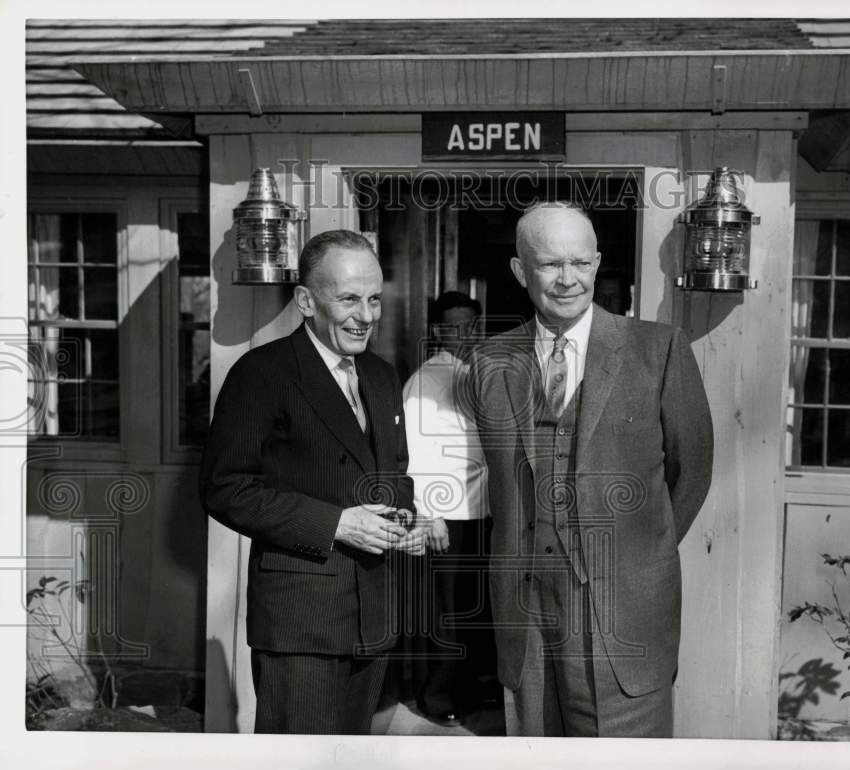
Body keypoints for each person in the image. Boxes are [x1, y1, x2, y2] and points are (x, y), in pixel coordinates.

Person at [470, 202, 714, 737]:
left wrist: (639, 551)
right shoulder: (489, 360)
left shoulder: (658, 349)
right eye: (550, 264)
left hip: (624, 613)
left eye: (580, 263)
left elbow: (692, 472)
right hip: (527, 610)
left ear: (598, 263)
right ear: (520, 271)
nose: (567, 280)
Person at [199, 229, 425, 734]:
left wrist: (403, 516)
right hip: (300, 622)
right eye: (348, 299)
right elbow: (224, 486)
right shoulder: (262, 372)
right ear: (305, 300)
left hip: (373, 613)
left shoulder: (382, 375)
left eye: (373, 299)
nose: (366, 316)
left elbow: (394, 472)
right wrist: (336, 524)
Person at [401, 291, 497, 725]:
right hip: (446, 515)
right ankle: (436, 698)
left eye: (472, 326)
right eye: (454, 327)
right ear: (438, 331)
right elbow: (415, 453)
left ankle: (468, 690)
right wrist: (429, 514)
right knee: (444, 613)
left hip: (479, 510)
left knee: (472, 608)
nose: (465, 335)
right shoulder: (426, 380)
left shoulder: (475, 372)